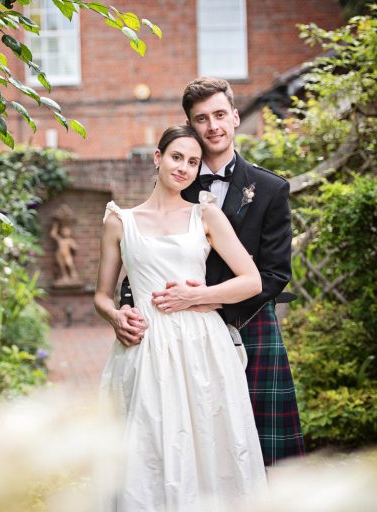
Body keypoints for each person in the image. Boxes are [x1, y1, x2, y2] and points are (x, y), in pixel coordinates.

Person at [118, 77, 305, 465]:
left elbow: (274, 274)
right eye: (201, 119)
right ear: (190, 125)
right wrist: (125, 308)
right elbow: (143, 255)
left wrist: (209, 302)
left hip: (250, 322)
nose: (213, 126)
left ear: (235, 117)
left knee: (263, 451)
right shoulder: (177, 183)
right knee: (194, 449)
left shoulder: (270, 189)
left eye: (220, 115)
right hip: (176, 334)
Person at [95, 125, 266, 510]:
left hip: (201, 345)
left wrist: (198, 296)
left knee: (209, 441)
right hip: (145, 347)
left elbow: (251, 280)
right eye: (177, 157)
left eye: (192, 162)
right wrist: (116, 317)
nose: (183, 168)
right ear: (158, 158)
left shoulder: (206, 214)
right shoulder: (119, 221)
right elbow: (102, 295)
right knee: (148, 447)